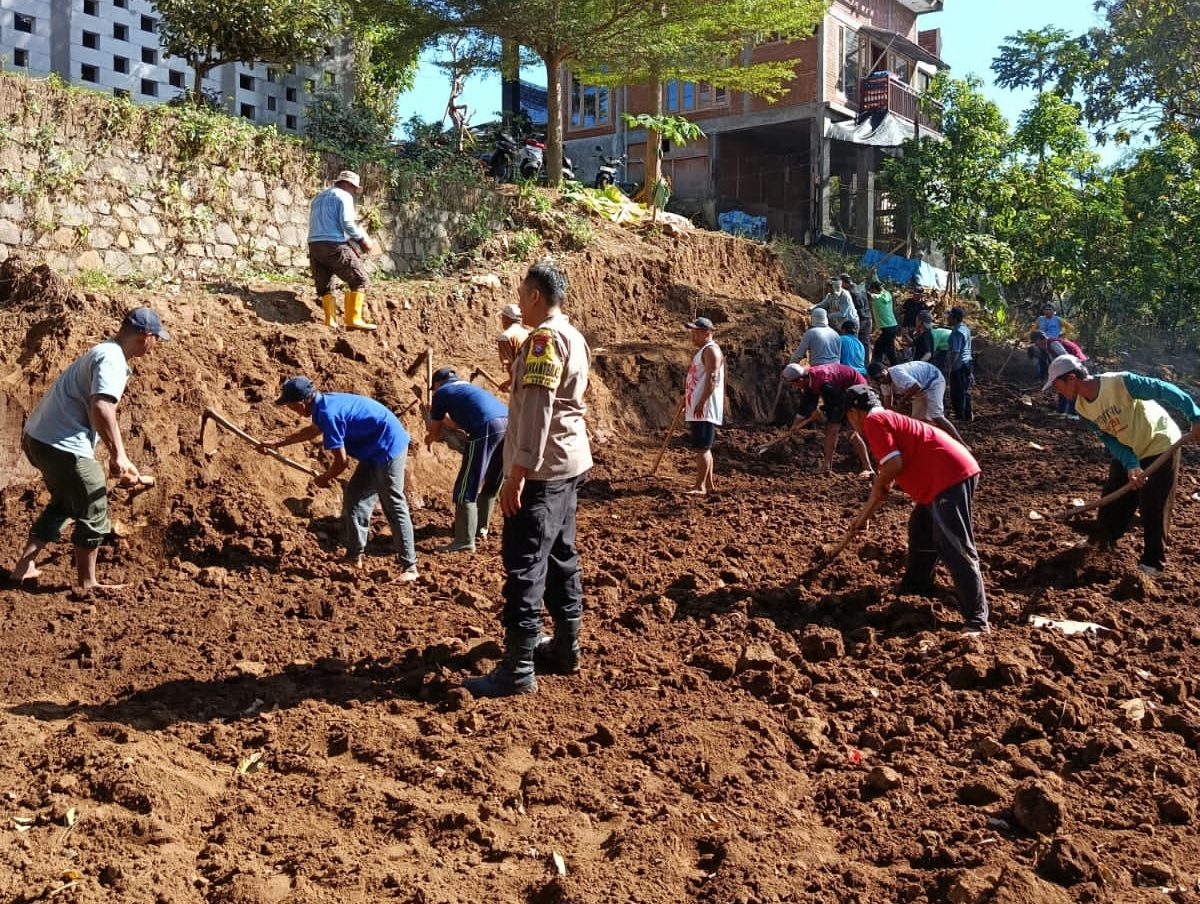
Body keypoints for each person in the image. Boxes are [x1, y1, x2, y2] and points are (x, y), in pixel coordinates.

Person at [465, 261, 592, 698]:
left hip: (541, 469)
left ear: (536, 295)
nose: (518, 301)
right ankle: (565, 646)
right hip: (569, 462)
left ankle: (518, 668)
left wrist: (517, 475)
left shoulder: (542, 341)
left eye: (522, 293)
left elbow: (537, 411)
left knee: (524, 562)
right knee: (560, 554)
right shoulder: (573, 335)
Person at [11, 308, 169, 592]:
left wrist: (117, 453)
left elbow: (98, 410)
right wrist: (118, 455)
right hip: (60, 444)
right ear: (146, 337)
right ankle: (88, 584)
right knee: (95, 505)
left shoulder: (104, 350)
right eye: (156, 338)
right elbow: (102, 406)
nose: (156, 344)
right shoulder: (113, 359)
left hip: (39, 439)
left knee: (66, 501)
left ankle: (24, 566)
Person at [842, 384, 989, 634]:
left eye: (847, 416)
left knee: (953, 544)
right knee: (921, 528)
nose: (850, 422)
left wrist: (875, 493)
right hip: (942, 478)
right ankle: (917, 585)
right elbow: (890, 474)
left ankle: (977, 619)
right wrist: (868, 510)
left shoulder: (874, 421)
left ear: (855, 412)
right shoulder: (885, 418)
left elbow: (892, 467)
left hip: (949, 477)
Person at [1045, 354, 1200, 577]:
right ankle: (1100, 548)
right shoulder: (1082, 408)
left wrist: (1194, 416)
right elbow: (1109, 439)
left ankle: (1153, 564)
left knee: (1153, 505)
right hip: (1129, 449)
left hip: (1160, 443)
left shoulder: (1119, 382)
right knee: (1113, 500)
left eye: (1056, 385)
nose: (1056, 391)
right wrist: (1130, 464)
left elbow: (1163, 389)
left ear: (1071, 378)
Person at [261, 376, 417, 580]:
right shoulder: (322, 404)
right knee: (354, 498)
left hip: (388, 446)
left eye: (289, 405)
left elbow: (341, 463)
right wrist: (277, 443)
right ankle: (354, 556)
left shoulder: (328, 413)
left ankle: (410, 568)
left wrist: (324, 479)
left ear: (300, 403)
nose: (291, 410)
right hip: (372, 448)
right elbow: (312, 431)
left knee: (393, 503)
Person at [426, 367, 508, 552]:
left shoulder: (441, 393)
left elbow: (435, 431)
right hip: (508, 424)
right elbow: (460, 423)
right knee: (493, 480)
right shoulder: (467, 389)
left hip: (486, 427)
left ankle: (463, 541)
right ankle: (480, 528)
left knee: (466, 485)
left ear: (437, 384)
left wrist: (429, 438)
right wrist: (445, 420)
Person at [308, 170, 377, 332]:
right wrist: (362, 240)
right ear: (349, 185)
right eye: (354, 189)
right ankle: (353, 319)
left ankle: (330, 321)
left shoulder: (317, 199)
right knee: (360, 280)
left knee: (325, 286)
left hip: (314, 245)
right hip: (334, 245)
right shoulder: (344, 196)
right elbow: (347, 223)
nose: (354, 192)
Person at [780, 363, 874, 477]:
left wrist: (821, 410)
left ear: (799, 379)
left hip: (856, 391)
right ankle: (827, 466)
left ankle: (867, 468)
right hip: (841, 393)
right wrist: (794, 426)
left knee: (839, 430)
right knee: (839, 431)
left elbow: (836, 401)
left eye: (793, 384)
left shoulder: (823, 382)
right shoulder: (809, 381)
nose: (794, 387)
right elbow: (806, 405)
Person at [868, 360, 965, 444]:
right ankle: (931, 440)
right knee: (917, 421)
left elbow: (916, 386)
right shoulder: (884, 383)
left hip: (933, 381)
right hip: (920, 389)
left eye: (882, 376)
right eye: (877, 379)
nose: (881, 380)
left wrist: (902, 401)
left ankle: (962, 444)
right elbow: (888, 407)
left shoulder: (897, 373)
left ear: (887, 369)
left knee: (936, 416)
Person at [683, 316, 725, 495]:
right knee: (704, 447)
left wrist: (701, 402)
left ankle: (699, 486)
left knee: (702, 448)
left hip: (704, 408)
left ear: (707, 334)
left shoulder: (711, 351)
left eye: (696, 333)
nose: (692, 336)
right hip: (699, 406)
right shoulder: (704, 351)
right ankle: (708, 485)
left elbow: (712, 379)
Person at [1030, 330, 1087, 417]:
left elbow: (1065, 357)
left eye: (1036, 342)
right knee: (1061, 388)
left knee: (1072, 388)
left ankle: (1073, 414)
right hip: (1067, 365)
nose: (1036, 345)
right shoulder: (1045, 348)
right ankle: (1061, 411)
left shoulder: (1053, 343)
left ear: (1042, 338)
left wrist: (1059, 373)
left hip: (1074, 363)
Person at [1027, 303, 1073, 381]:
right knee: (1038, 356)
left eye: (1049, 309)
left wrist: (1063, 335)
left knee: (1054, 359)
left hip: (1053, 342)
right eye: (1046, 309)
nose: (1047, 311)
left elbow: (1070, 327)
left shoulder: (1058, 319)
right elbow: (1033, 330)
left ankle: (1057, 377)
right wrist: (1024, 337)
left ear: (1053, 311)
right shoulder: (1040, 319)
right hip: (1041, 342)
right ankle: (1041, 376)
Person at [945, 307, 974, 423]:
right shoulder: (965, 328)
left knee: (957, 391)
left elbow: (955, 352)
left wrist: (950, 367)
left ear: (954, 318)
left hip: (959, 365)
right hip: (967, 363)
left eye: (949, 316)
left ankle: (960, 416)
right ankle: (967, 415)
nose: (947, 318)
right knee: (965, 390)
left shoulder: (957, 332)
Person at [496, 302, 529, 391]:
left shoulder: (505, 337)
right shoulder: (528, 333)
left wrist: (510, 382)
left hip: (520, 384)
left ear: (506, 319)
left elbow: (508, 364)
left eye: (502, 317)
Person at [869, 279, 899, 366]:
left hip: (887, 328)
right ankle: (877, 366)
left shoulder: (876, 298)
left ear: (874, 290)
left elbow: (873, 296)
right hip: (892, 325)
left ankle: (895, 367)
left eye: (872, 289)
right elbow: (880, 286)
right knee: (879, 347)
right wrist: (874, 274)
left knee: (889, 350)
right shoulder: (887, 294)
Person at [841, 272, 873, 347]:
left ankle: (854, 358)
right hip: (868, 317)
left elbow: (857, 305)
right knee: (865, 342)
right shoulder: (859, 287)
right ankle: (865, 359)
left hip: (860, 319)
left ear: (843, 282)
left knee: (853, 341)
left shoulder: (850, 292)